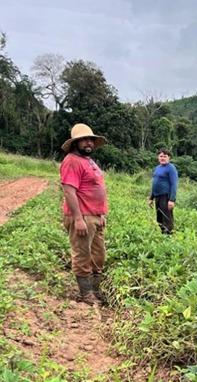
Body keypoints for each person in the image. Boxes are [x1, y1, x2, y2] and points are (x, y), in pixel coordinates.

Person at [60, 123, 109, 305]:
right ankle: (86, 293)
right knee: (82, 255)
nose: (88, 143)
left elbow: (96, 188)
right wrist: (78, 218)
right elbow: (69, 191)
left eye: (90, 139)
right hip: (82, 217)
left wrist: (100, 214)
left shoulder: (89, 161)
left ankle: (95, 290)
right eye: (84, 140)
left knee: (99, 255)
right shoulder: (71, 161)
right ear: (75, 143)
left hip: (95, 216)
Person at [148, 149, 178, 234]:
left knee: (167, 217)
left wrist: (172, 200)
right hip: (157, 196)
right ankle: (162, 234)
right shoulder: (157, 168)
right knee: (159, 217)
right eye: (161, 156)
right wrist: (151, 198)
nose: (163, 158)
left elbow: (174, 184)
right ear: (158, 157)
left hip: (166, 196)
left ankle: (169, 236)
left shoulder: (171, 168)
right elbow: (155, 183)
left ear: (169, 158)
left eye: (165, 156)